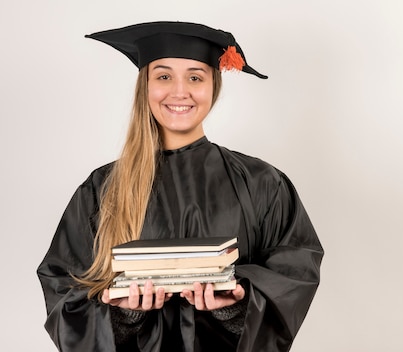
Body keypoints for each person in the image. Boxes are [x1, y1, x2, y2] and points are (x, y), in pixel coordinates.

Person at [37, 21, 323, 352]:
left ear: (213, 86)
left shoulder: (262, 183)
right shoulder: (102, 190)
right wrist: (124, 315)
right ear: (145, 86)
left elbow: (295, 271)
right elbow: (63, 289)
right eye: (163, 76)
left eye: (195, 77)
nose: (179, 91)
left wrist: (234, 303)